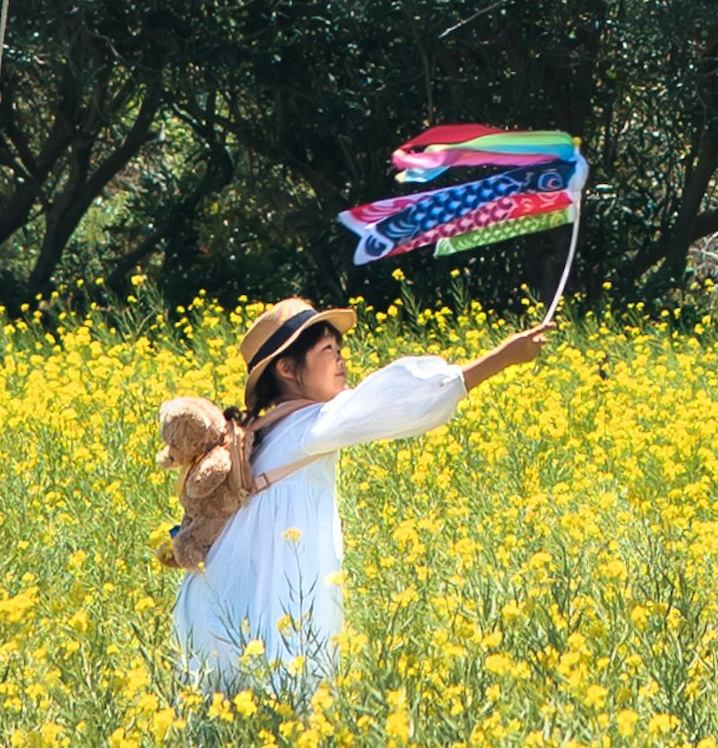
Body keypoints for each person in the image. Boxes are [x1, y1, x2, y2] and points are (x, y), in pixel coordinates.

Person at [160, 293, 546, 700]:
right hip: (267, 608)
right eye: (328, 350)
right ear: (288, 368)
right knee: (286, 704)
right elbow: (390, 404)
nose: (341, 359)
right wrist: (502, 358)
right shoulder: (309, 424)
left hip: (221, 602)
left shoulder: (262, 428)